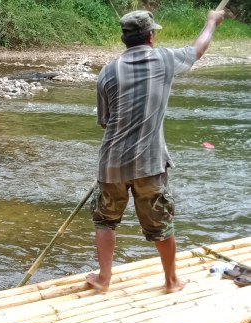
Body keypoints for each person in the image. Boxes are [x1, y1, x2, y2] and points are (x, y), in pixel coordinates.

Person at [87, 9, 224, 294]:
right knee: (161, 225)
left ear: (124, 38)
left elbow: (104, 122)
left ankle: (103, 279)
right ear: (150, 36)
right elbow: (198, 49)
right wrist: (211, 21)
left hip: (110, 165)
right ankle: (171, 282)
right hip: (149, 165)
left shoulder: (107, 71)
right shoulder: (164, 59)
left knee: (105, 222)